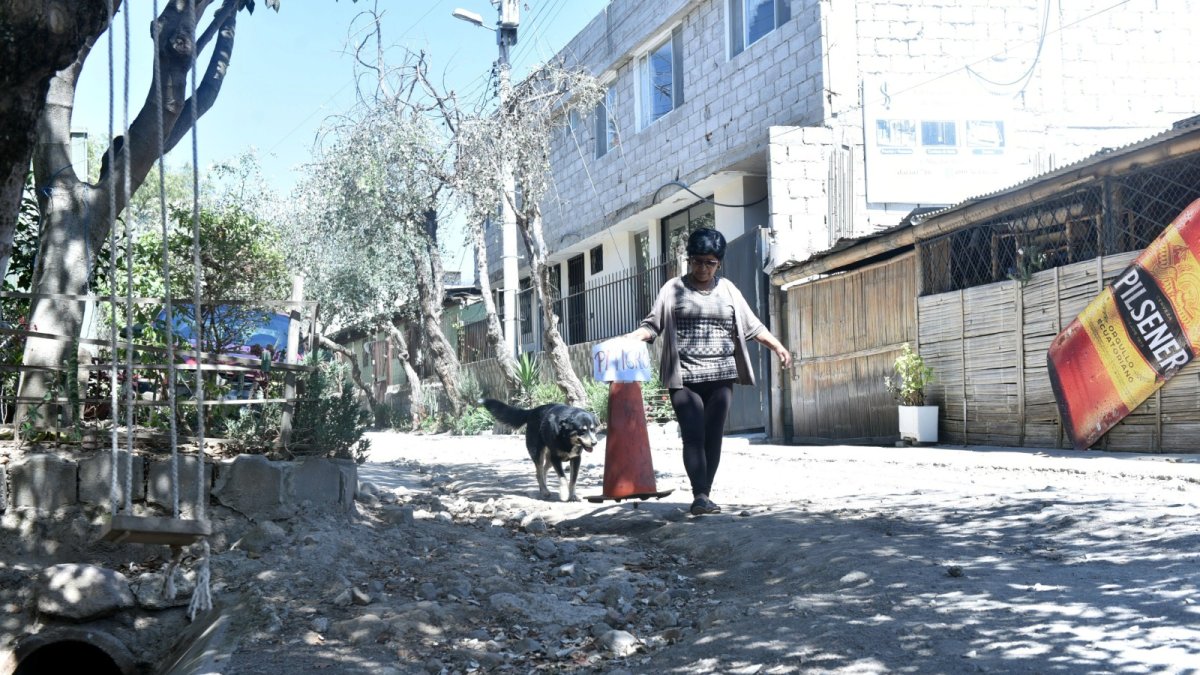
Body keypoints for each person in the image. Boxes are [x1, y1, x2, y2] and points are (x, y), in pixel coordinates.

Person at [626, 228, 792, 516]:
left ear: (719, 263)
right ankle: (699, 495)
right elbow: (652, 325)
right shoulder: (672, 288)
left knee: (713, 435)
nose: (703, 268)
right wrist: (630, 339)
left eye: (710, 263)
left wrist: (778, 346)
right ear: (689, 260)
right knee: (692, 434)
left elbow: (753, 326)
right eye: (698, 261)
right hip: (684, 378)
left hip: (721, 376)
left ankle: (705, 494)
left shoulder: (728, 290)